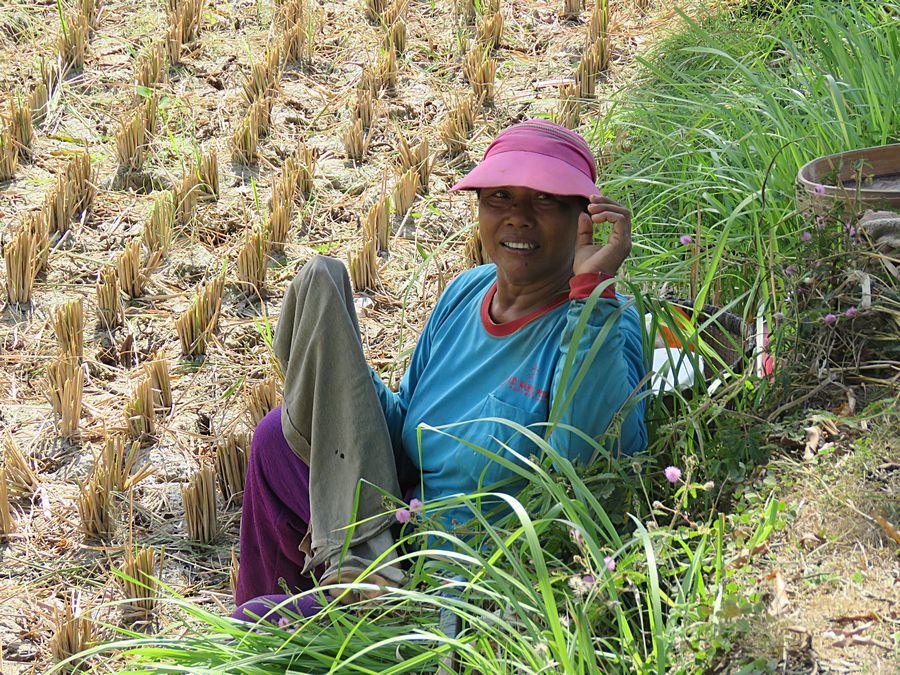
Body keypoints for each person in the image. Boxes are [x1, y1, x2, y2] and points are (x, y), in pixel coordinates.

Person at [231, 119, 648, 623]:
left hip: (466, 574)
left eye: (545, 201)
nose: (518, 217)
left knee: (254, 624)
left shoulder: (604, 322)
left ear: (585, 217)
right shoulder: (467, 291)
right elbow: (408, 423)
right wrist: (339, 368)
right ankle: (348, 575)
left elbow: (585, 466)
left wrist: (591, 290)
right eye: (500, 197)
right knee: (277, 438)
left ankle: (319, 611)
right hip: (399, 521)